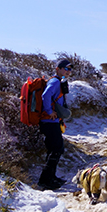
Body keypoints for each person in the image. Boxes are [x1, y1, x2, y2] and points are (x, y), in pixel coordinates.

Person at [38, 58, 73, 190]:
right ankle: (45, 180)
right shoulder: (54, 82)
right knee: (57, 149)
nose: (68, 71)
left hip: (53, 121)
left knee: (53, 149)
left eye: (70, 69)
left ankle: (51, 177)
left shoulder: (59, 81)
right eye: (66, 68)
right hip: (49, 121)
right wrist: (49, 111)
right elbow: (46, 95)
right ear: (58, 69)